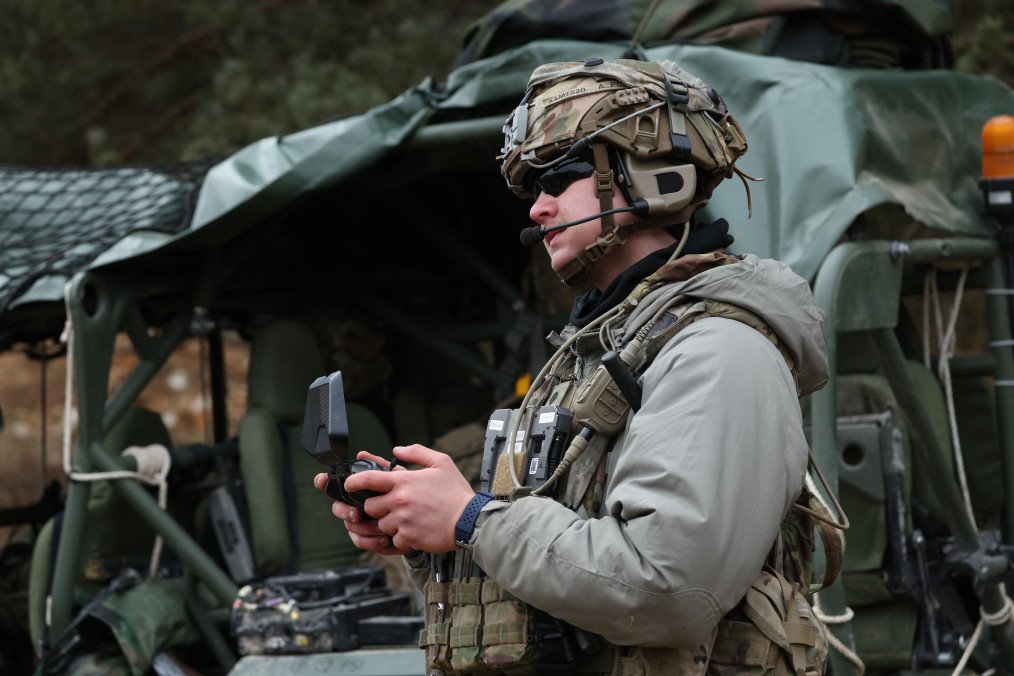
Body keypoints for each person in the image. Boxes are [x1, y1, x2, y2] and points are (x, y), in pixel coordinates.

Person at [315, 57, 837, 675]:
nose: (537, 210)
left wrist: (470, 518)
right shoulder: (603, 346)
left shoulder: (719, 350)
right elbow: (558, 565)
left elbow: (666, 589)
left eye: (558, 179)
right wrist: (423, 527)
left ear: (650, 176)